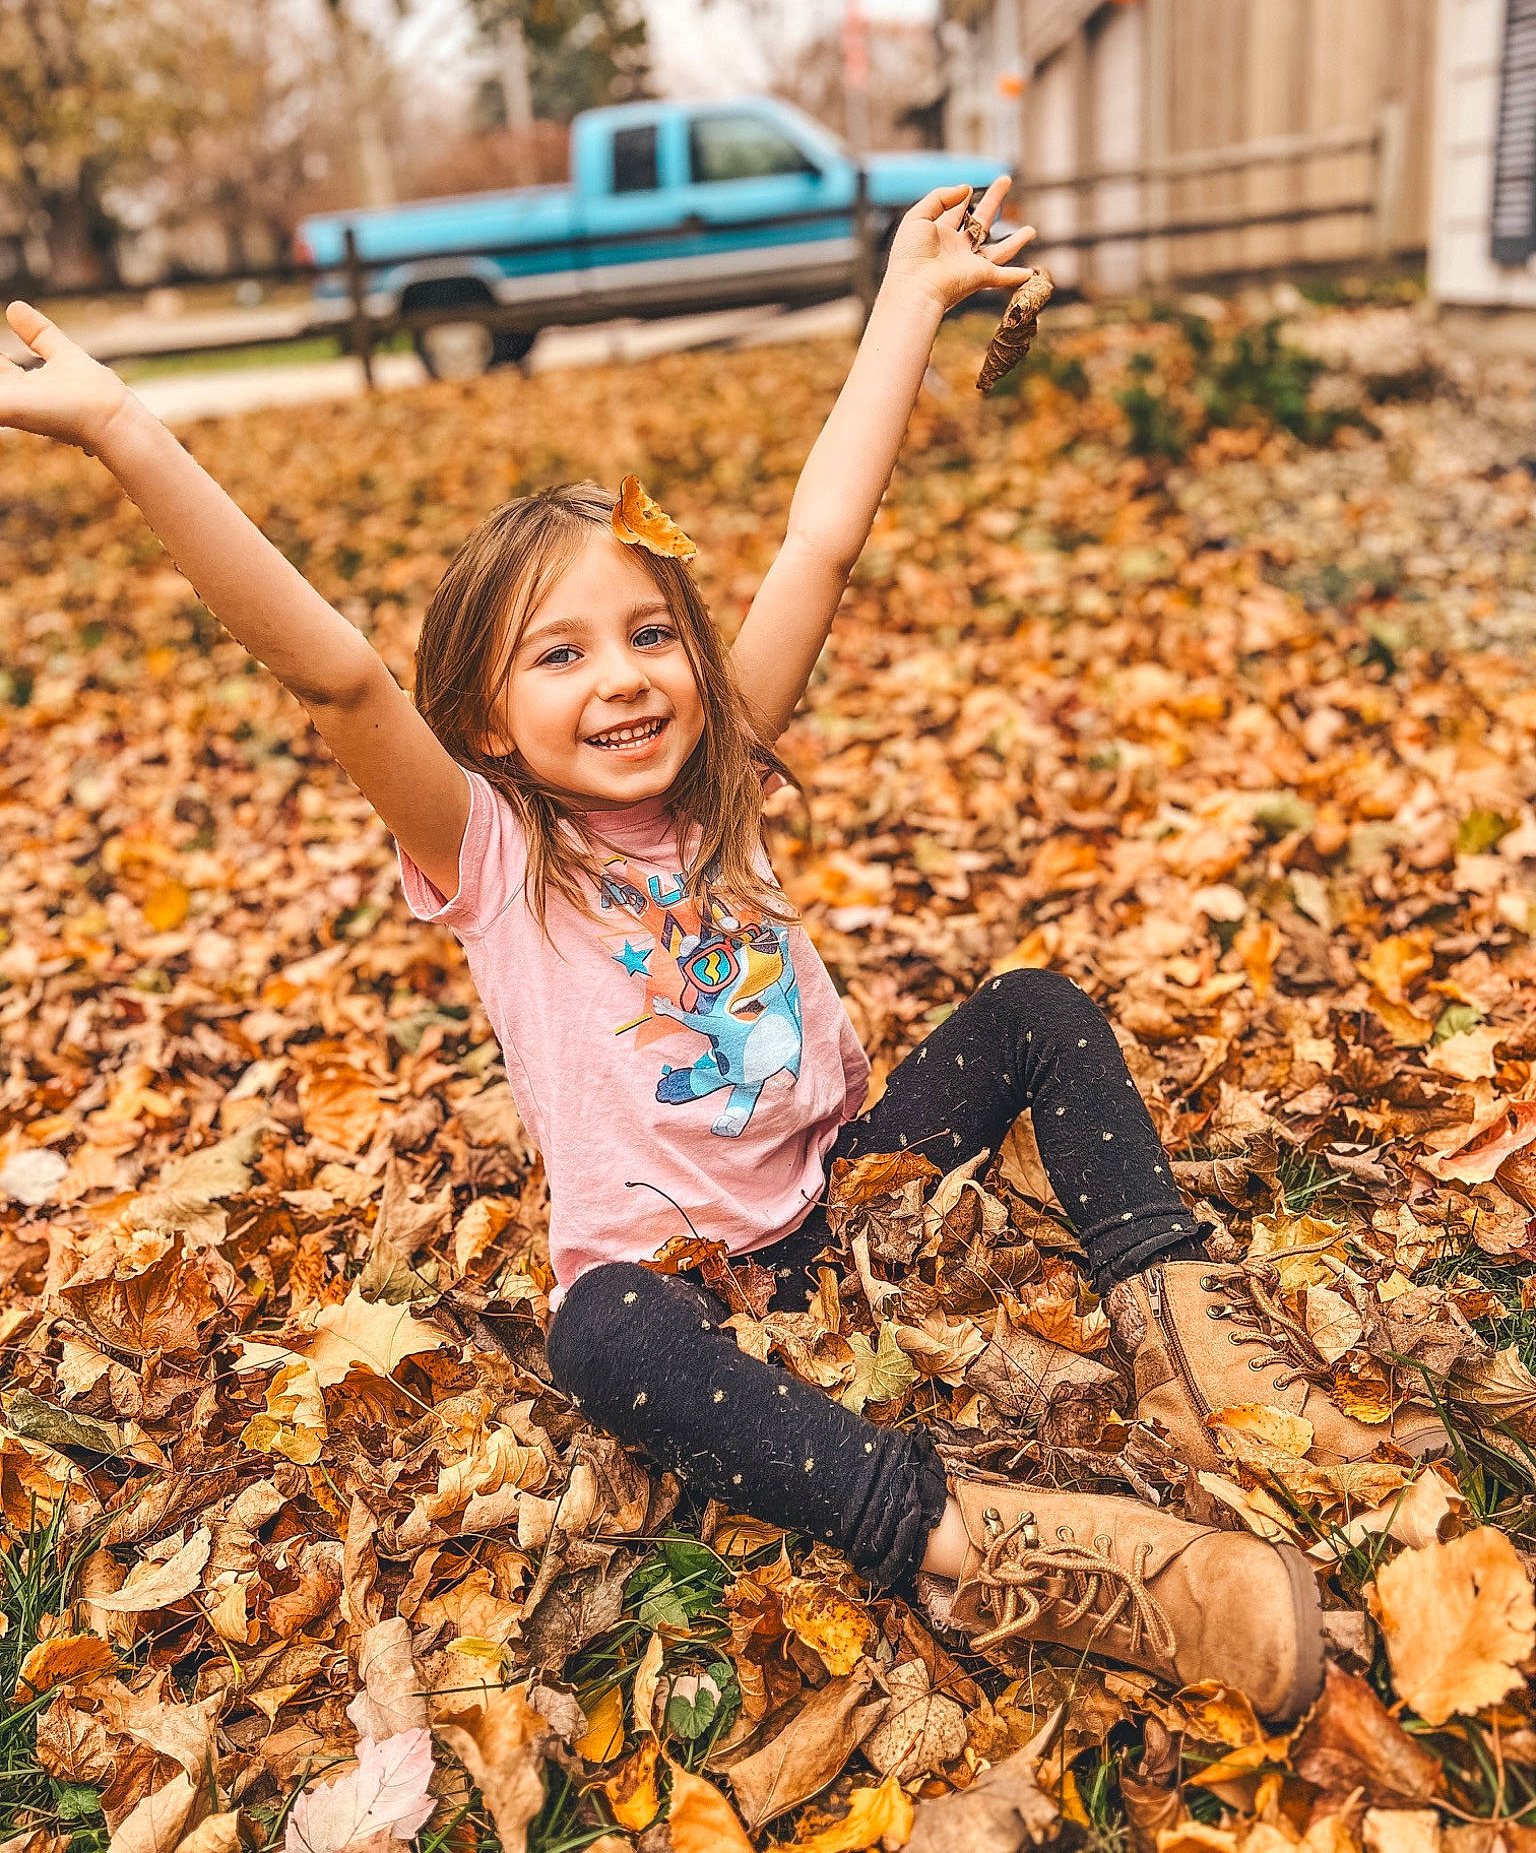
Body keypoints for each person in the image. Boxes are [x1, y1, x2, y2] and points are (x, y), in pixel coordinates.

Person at [0, 182, 1333, 1721]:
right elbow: (336, 676)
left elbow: (823, 539)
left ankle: (1187, 1332)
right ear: (492, 720)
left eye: (650, 635)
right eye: (560, 655)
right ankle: (969, 1542)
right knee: (597, 1332)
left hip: (843, 1194)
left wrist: (910, 296)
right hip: (686, 1284)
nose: (625, 679)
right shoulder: (494, 852)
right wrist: (122, 435)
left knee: (1035, 1007)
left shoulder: (724, 772)